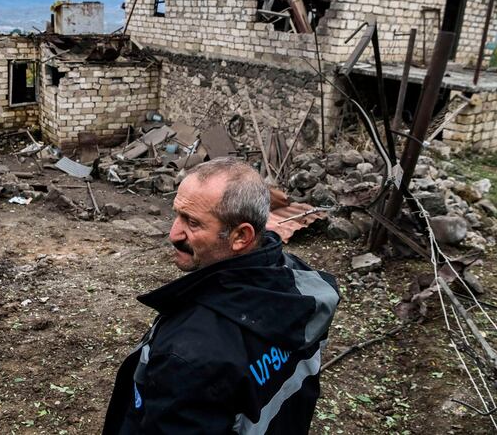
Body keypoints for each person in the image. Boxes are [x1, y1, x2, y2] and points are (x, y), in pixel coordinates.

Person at [103, 157, 339, 434]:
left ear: (240, 236)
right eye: (177, 214)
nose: (173, 233)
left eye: (192, 222)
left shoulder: (188, 355)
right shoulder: (299, 284)